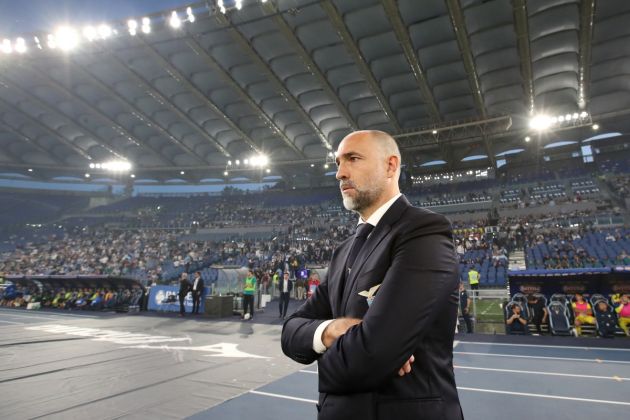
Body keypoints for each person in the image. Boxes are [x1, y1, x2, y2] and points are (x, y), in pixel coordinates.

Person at [281, 130, 463, 419]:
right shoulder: (342, 251)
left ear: (391, 166)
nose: (340, 173)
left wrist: (326, 350)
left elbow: (370, 356)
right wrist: (332, 330)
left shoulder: (423, 231)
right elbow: (290, 331)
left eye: (353, 159)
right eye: (338, 162)